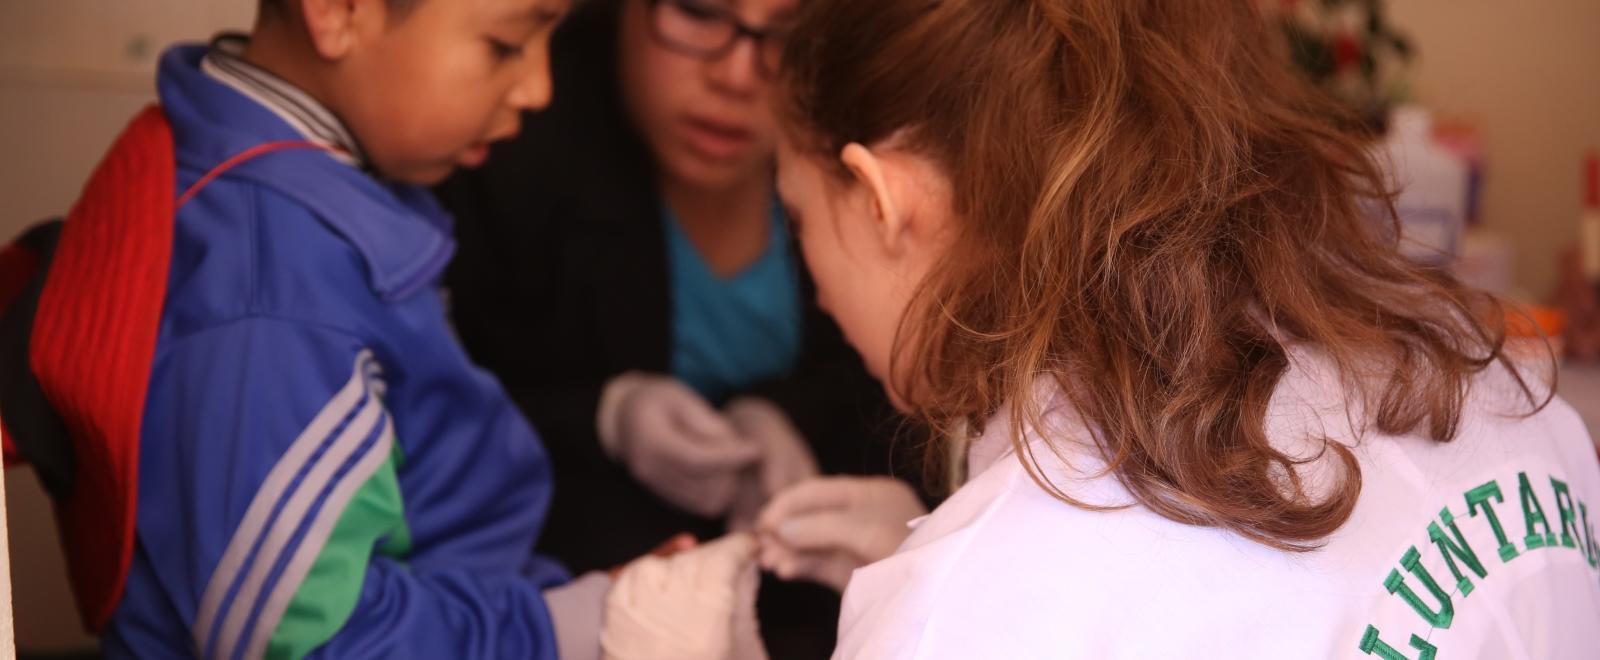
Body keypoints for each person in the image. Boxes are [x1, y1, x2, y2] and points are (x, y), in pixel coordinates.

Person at [748, 0, 1600, 657]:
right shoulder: (1517, 397)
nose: (816, 288)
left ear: (882, 200)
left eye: (799, 220)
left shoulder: (971, 615)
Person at [4, 0, 757, 657]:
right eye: (505, 44)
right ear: (338, 9)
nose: (538, 87)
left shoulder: (302, 187)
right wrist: (568, 626)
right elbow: (319, 643)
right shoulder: (272, 300)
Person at [436, 0, 915, 653]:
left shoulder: (880, 158)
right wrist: (606, 416)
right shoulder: (505, 154)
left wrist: (781, 416)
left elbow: (886, 392)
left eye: (788, 34)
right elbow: (440, 416)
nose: (739, 75)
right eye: (697, 12)